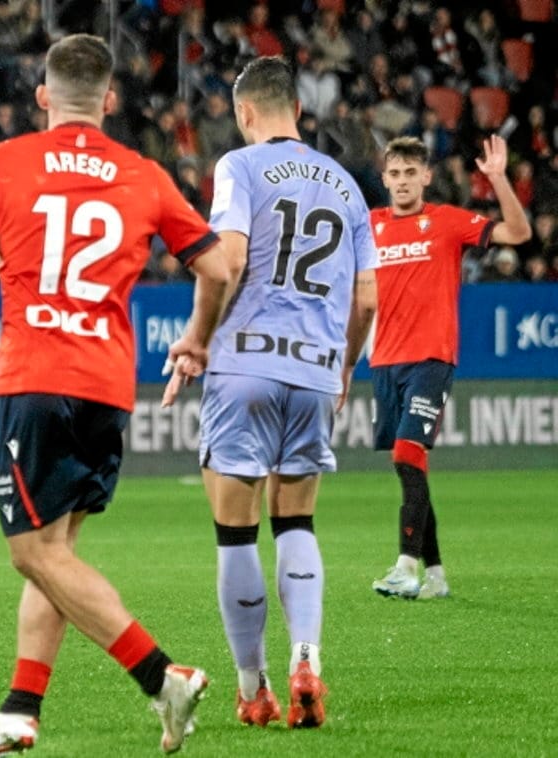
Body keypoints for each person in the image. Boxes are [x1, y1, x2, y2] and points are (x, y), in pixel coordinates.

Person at [0, 34, 238, 756]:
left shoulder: (3, 161)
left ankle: (163, 675)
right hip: (107, 386)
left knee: (31, 554)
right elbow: (218, 268)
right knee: (57, 549)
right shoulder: (145, 174)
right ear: (109, 100)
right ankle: (18, 712)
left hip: (37, 374)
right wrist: (195, 339)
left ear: (42, 96)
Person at [163, 56, 379, 731]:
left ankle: (254, 687)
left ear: (245, 112)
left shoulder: (239, 167)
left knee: (236, 535)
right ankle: (306, 660)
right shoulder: (346, 185)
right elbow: (368, 299)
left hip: (246, 362)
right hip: (316, 369)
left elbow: (226, 260)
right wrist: (342, 367)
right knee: (296, 524)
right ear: (298, 110)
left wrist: (197, 340)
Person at [368, 135, 531, 599]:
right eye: (394, 173)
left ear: (426, 176)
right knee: (411, 466)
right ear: (385, 179)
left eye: (410, 173)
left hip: (431, 357)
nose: (402, 181)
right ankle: (436, 575)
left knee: (406, 455)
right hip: (384, 362)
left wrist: (498, 179)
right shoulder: (369, 226)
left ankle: (405, 566)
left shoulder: (447, 222)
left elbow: (517, 234)